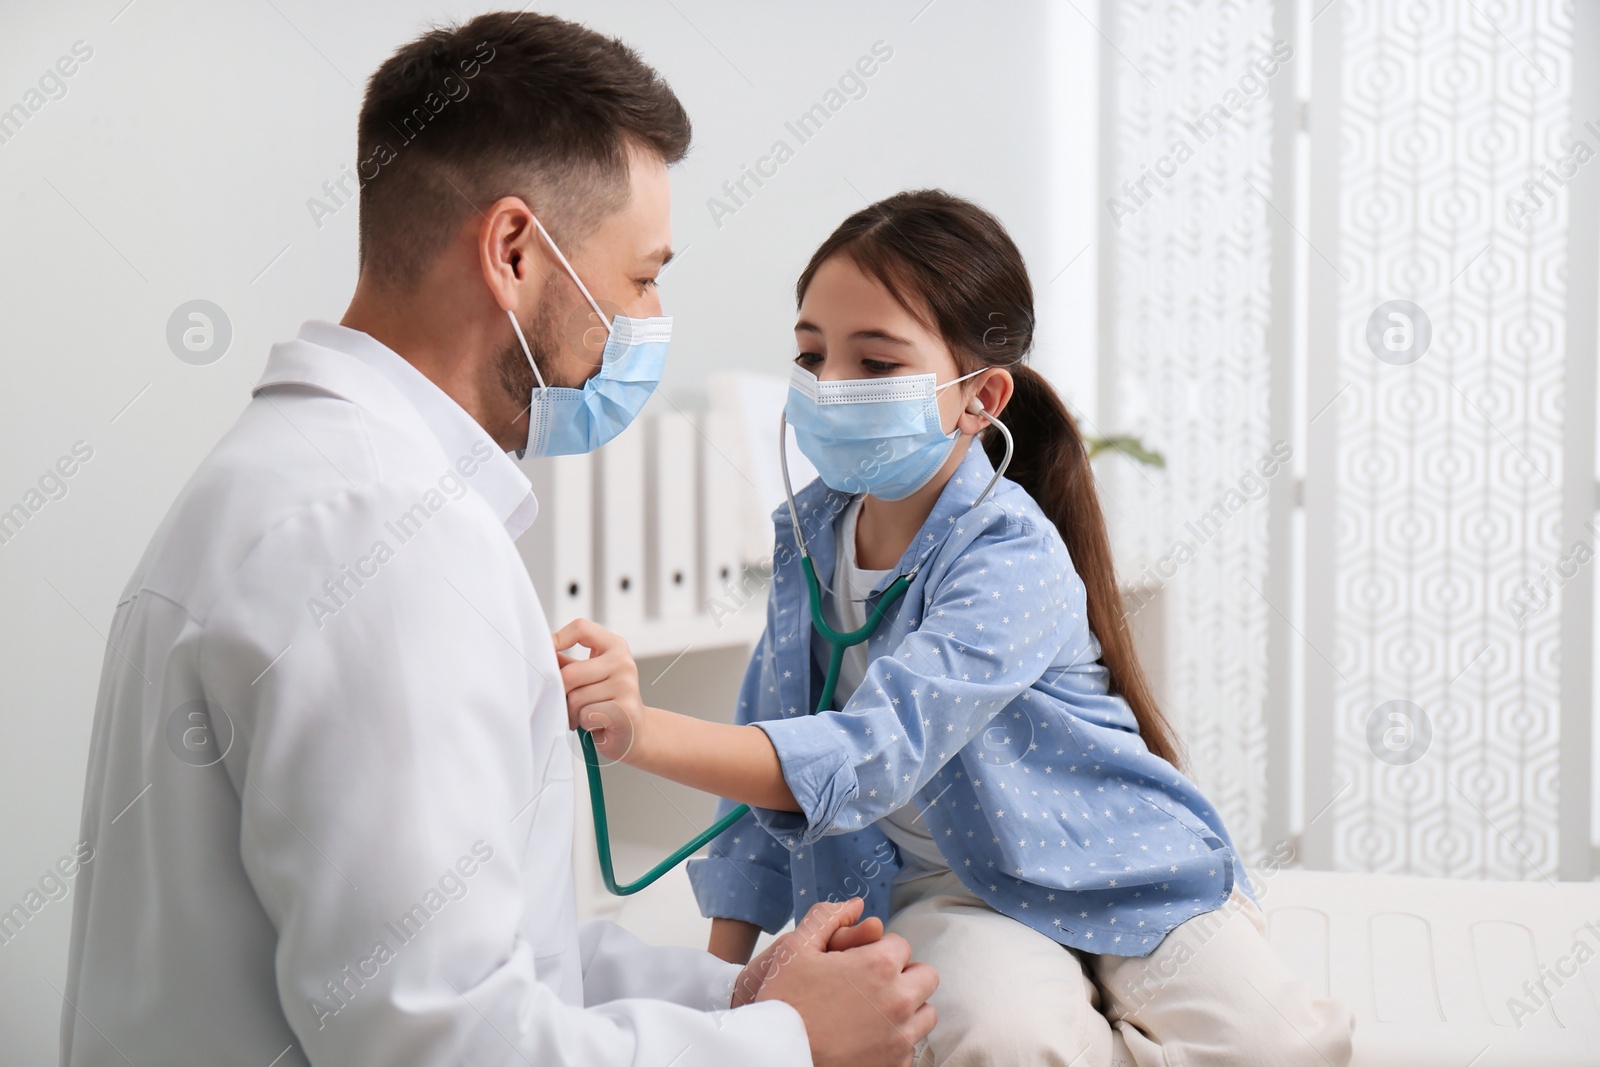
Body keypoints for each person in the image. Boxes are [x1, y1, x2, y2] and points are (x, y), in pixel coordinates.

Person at [59, 14, 936, 1067]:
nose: (652, 314)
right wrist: (788, 1041)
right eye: (642, 276)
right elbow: (449, 1043)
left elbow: (490, 959)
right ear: (514, 251)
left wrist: (746, 993)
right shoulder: (377, 540)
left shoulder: (319, 486)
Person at [557, 190, 1356, 1066]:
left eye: (875, 362)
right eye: (811, 353)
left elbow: (872, 749)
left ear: (980, 397)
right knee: (1011, 1045)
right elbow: (763, 779)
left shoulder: (1010, 551)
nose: (829, 386)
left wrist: (642, 732)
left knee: (1288, 1049)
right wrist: (726, 997)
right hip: (949, 889)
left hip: (1114, 860)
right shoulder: (807, 542)